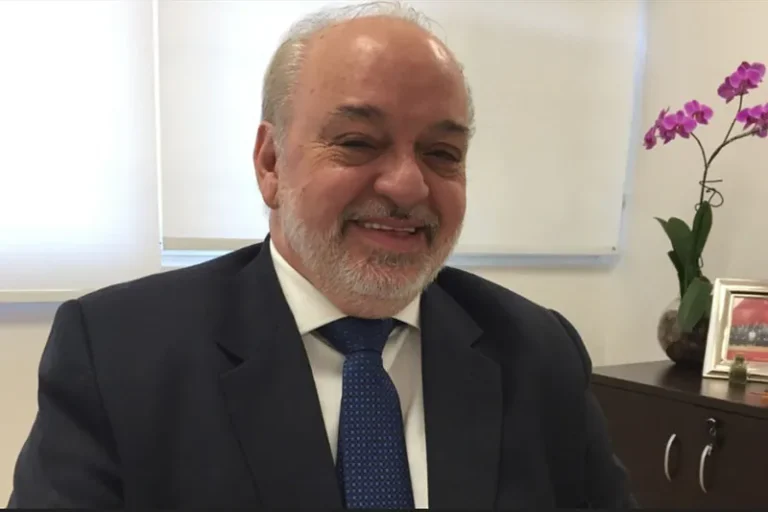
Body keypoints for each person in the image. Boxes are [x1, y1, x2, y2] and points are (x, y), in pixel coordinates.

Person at [8, 1, 636, 509]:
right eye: (358, 142)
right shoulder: (118, 355)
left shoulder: (538, 353)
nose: (408, 186)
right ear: (271, 163)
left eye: (442, 153)